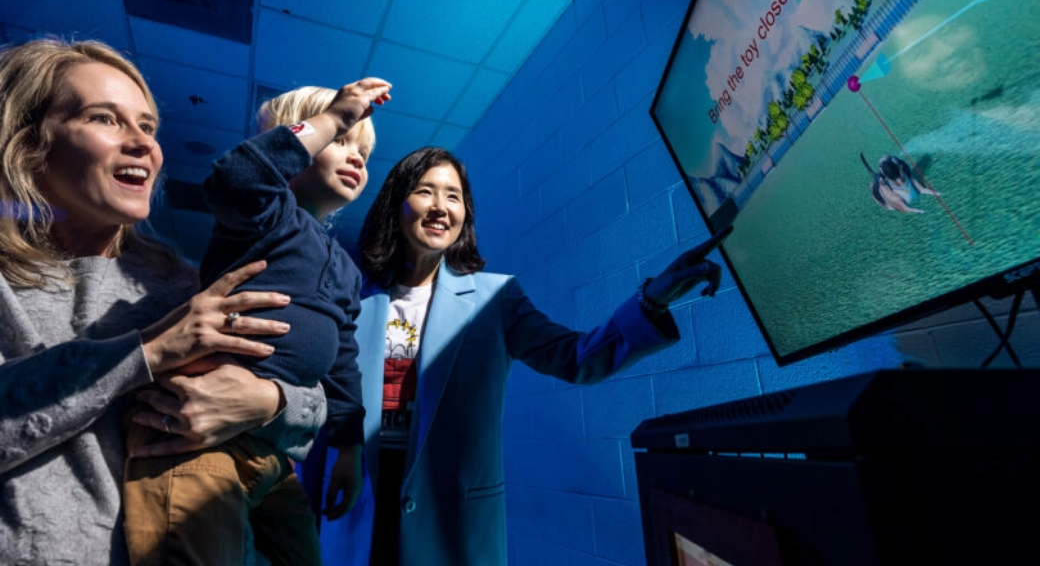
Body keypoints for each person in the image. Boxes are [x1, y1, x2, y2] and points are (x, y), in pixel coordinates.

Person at [305, 146, 731, 565]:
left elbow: (577, 357)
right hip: (358, 507)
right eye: (425, 191)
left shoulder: (496, 298)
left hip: (452, 524)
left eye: (453, 196)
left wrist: (651, 302)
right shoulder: (352, 300)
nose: (440, 207)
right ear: (395, 204)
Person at [0, 38, 326, 565]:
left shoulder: (187, 283)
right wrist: (147, 351)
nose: (142, 145)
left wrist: (267, 403)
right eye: (105, 119)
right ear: (27, 142)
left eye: (148, 127)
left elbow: (311, 399)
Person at [122, 79, 391, 565]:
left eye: (365, 153)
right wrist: (334, 115)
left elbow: (343, 366)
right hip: (195, 439)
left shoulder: (347, 268)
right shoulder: (265, 216)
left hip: (273, 454)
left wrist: (349, 450)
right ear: (297, 141)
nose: (356, 157)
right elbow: (237, 178)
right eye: (342, 139)